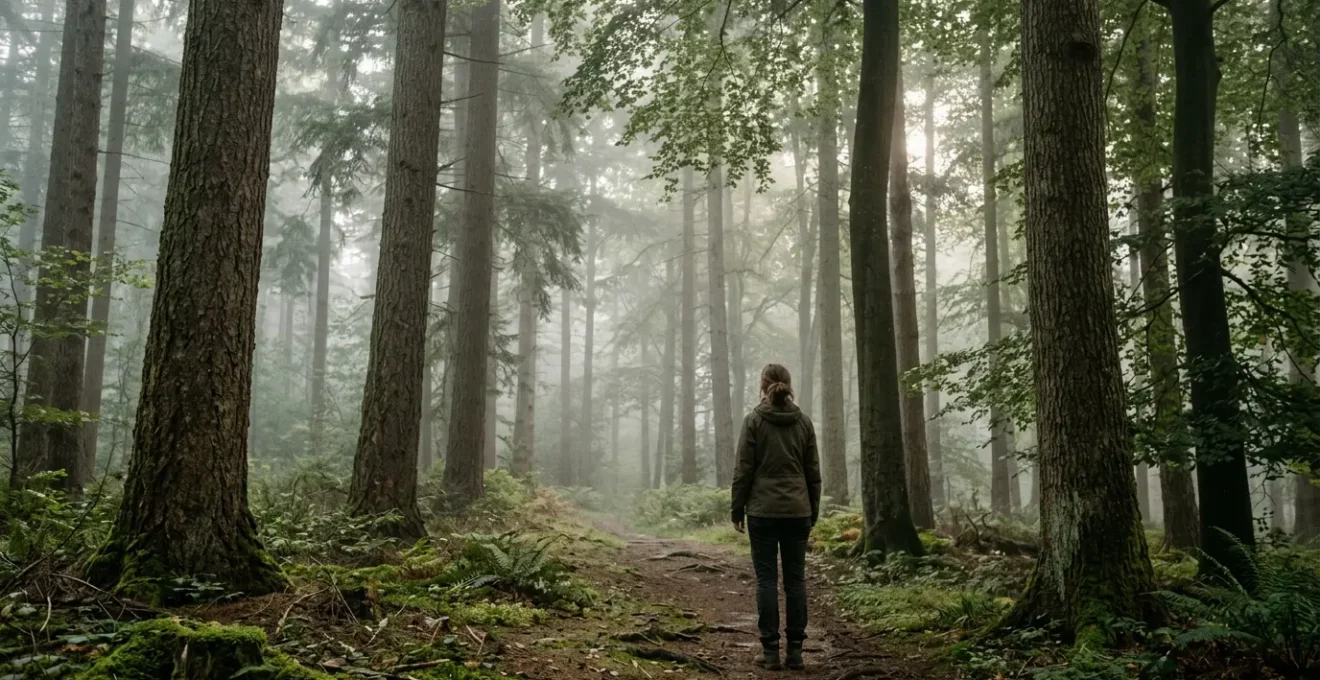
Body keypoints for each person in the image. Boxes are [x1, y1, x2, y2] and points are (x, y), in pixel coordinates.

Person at [731, 363, 822, 672]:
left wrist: (736, 508)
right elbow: (813, 474)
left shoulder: (754, 421)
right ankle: (795, 652)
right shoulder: (804, 423)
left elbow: (743, 469)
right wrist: (813, 510)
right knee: (796, 580)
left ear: (763, 386)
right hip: (798, 512)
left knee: (767, 580)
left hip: (762, 512)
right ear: (788, 385)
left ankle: (770, 653)